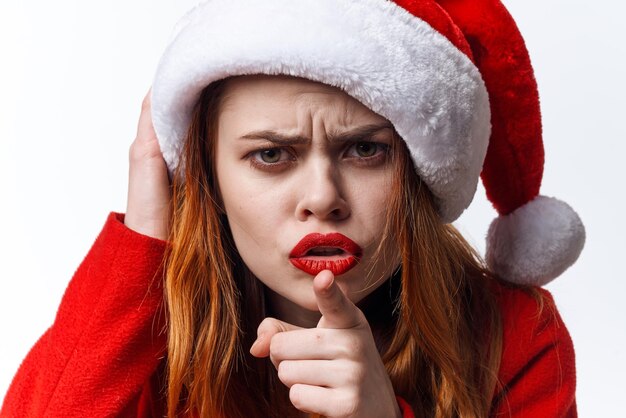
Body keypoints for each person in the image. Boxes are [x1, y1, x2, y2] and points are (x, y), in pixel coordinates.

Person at [1, 0, 586, 417]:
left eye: (365, 150)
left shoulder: (513, 334)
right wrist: (142, 236)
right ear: (208, 181)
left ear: (417, 170)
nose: (322, 198)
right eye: (272, 154)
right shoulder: (149, 334)